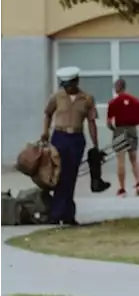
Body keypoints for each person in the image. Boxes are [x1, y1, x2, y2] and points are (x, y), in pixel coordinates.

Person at [41, 66, 100, 226]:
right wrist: (45, 132)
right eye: (64, 85)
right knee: (59, 175)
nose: (67, 88)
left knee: (71, 175)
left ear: (76, 82)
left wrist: (95, 144)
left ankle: (67, 214)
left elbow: (92, 122)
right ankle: (57, 213)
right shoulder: (56, 97)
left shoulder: (87, 98)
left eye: (69, 84)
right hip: (59, 136)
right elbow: (47, 113)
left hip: (76, 138)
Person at [106, 79, 139, 197]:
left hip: (119, 130)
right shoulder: (136, 101)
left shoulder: (113, 102)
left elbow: (109, 122)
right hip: (132, 130)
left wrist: (114, 130)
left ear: (117, 88)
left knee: (120, 160)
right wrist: (132, 126)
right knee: (134, 158)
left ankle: (122, 189)